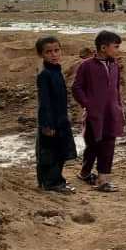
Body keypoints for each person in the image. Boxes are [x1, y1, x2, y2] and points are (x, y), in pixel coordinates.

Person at [72, 30, 125, 193]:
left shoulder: (115, 65)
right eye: (115, 47)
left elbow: (116, 89)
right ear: (103, 47)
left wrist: (119, 107)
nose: (117, 50)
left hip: (112, 114)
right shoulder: (86, 66)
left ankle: (103, 180)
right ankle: (85, 173)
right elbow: (77, 87)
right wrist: (88, 104)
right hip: (94, 116)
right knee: (93, 145)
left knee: (108, 145)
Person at [35, 36, 77, 195]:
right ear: (41, 55)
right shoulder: (44, 74)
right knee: (49, 154)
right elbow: (44, 103)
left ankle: (54, 181)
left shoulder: (56, 70)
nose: (53, 54)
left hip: (60, 119)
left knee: (60, 151)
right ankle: (52, 183)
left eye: (56, 50)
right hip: (51, 121)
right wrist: (46, 124)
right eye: (48, 52)